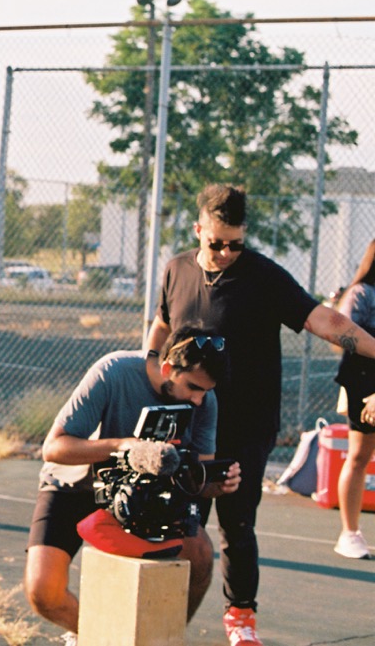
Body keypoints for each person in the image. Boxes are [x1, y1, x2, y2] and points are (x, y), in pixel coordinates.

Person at [146, 183, 375, 644]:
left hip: (245, 427)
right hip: (187, 422)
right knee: (177, 523)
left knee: (236, 522)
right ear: (198, 230)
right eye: (217, 243)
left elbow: (324, 320)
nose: (226, 253)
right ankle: (158, 617)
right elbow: (163, 323)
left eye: (236, 244)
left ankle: (241, 618)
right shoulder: (176, 270)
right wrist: (150, 364)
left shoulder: (263, 276)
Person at [24, 331, 242, 642]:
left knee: (200, 555)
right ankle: (97, 634)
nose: (198, 399)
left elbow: (200, 478)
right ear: (167, 368)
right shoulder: (114, 371)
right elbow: (54, 448)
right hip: (77, 483)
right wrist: (122, 446)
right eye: (193, 387)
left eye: (206, 391)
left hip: (142, 495)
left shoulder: (204, 399)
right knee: (43, 592)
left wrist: (219, 483)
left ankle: (159, 638)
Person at [333, 238, 375, 558]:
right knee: (359, 455)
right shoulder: (362, 294)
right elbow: (340, 338)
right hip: (363, 382)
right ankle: (349, 533)